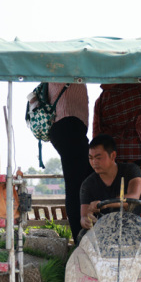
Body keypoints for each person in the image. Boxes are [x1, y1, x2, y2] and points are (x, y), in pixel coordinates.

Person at [46, 83, 91, 243]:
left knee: (85, 180)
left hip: (71, 124)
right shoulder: (64, 60)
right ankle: (80, 239)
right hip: (67, 121)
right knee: (77, 186)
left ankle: (83, 238)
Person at [78, 134, 141, 237]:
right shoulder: (87, 184)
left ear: (113, 155)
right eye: (91, 158)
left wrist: (105, 204)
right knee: (82, 235)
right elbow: (83, 216)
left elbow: (133, 197)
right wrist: (86, 220)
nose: (94, 162)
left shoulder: (131, 170)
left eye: (98, 158)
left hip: (134, 227)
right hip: (104, 231)